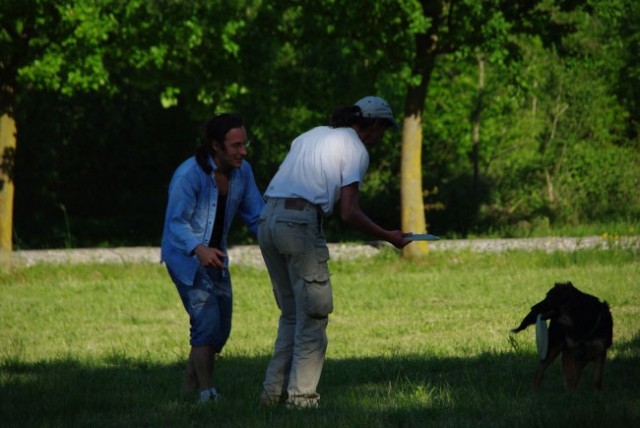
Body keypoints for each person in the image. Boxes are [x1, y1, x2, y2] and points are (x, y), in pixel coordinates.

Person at [258, 96, 411, 408]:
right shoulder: (355, 148)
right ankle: (302, 401)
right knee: (313, 314)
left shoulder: (311, 135)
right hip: (299, 223)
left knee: (291, 315)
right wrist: (388, 236)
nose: (383, 136)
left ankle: (271, 397)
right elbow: (349, 211)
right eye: (384, 129)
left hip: (268, 220)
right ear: (375, 125)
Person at [161, 113, 264, 403]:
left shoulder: (242, 171)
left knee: (220, 331)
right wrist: (200, 249)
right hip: (186, 258)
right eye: (236, 146)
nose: (243, 151)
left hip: (217, 256)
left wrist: (278, 239)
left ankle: (188, 387)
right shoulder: (188, 175)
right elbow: (176, 224)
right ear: (216, 146)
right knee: (206, 323)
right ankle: (208, 394)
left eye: (244, 144)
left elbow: (257, 215)